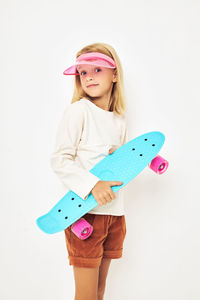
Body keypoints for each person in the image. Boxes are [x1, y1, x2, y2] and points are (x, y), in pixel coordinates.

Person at [50, 42, 128, 300]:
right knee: (86, 296)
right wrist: (93, 185)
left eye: (97, 69)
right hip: (85, 214)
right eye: (83, 72)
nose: (89, 76)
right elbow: (60, 160)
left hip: (114, 214)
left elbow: (119, 168)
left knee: (99, 292)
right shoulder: (78, 111)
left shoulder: (119, 119)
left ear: (114, 75)